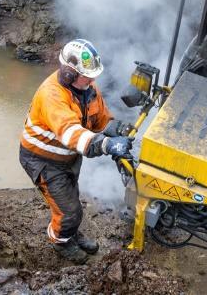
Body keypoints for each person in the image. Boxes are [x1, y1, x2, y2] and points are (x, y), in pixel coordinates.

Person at [19, 39, 133, 264]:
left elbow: (100, 119)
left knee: (72, 201)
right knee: (69, 210)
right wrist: (106, 145)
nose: (93, 80)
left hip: (66, 158)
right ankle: (60, 243)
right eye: (87, 76)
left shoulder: (87, 88)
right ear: (69, 73)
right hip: (43, 160)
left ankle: (69, 233)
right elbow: (71, 134)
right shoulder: (52, 95)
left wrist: (117, 128)